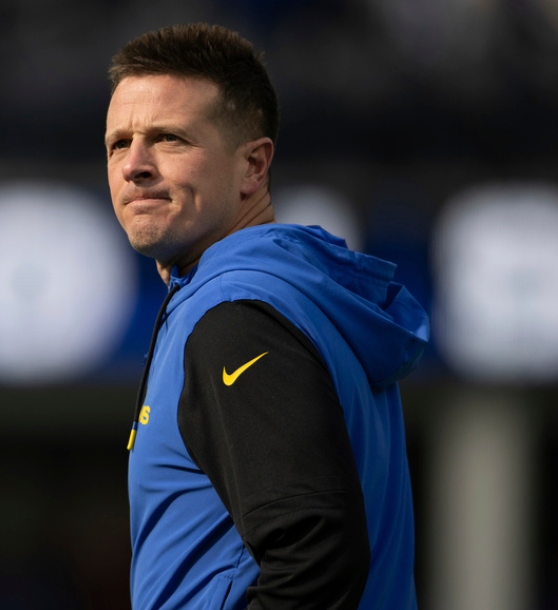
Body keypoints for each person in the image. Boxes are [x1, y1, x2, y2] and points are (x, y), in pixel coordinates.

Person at [105, 23, 429, 610]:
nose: (134, 165)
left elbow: (315, 556)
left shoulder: (236, 316)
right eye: (117, 144)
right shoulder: (288, 297)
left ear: (253, 166)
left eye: (170, 138)